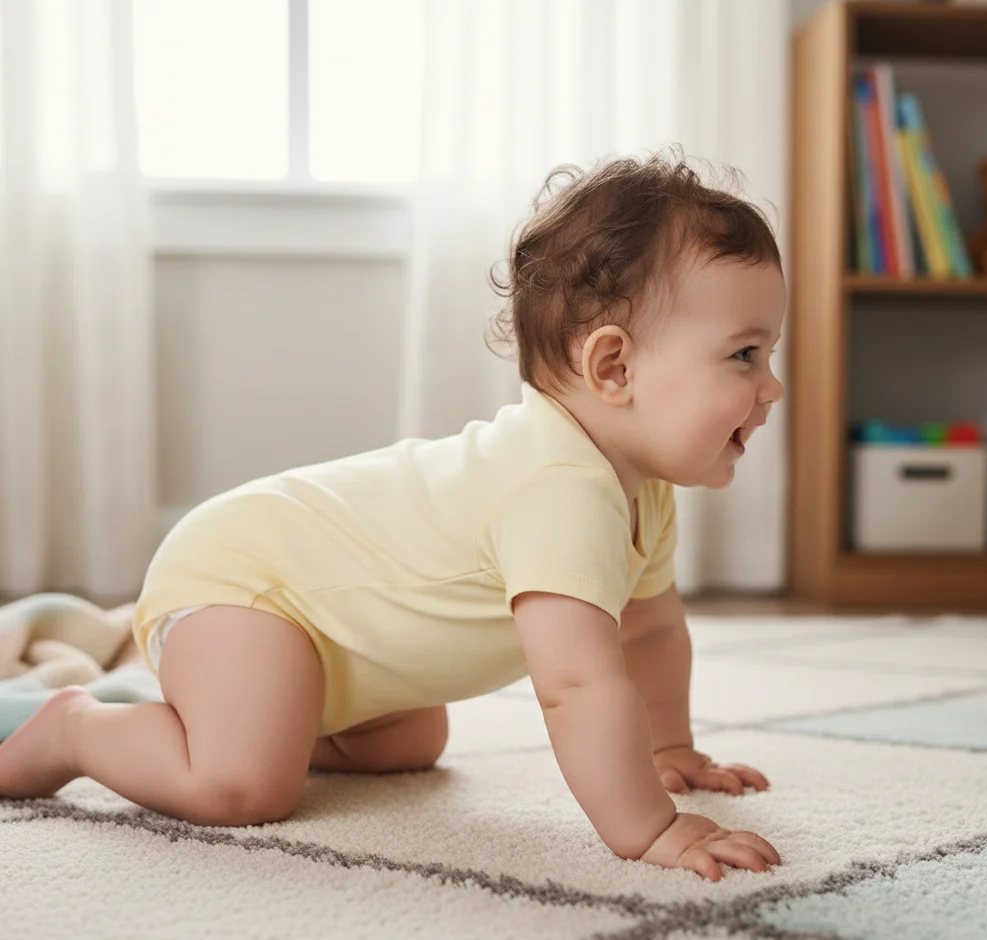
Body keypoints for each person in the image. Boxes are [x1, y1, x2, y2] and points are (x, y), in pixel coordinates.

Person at [0, 149, 785, 881]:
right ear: (614, 367)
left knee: (411, 742)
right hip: (243, 586)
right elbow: (577, 684)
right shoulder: (558, 489)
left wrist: (666, 746)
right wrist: (652, 828)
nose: (772, 386)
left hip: (334, 640)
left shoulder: (639, 491)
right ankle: (79, 728)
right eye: (745, 355)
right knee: (243, 786)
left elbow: (647, 631)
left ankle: (269, 712)